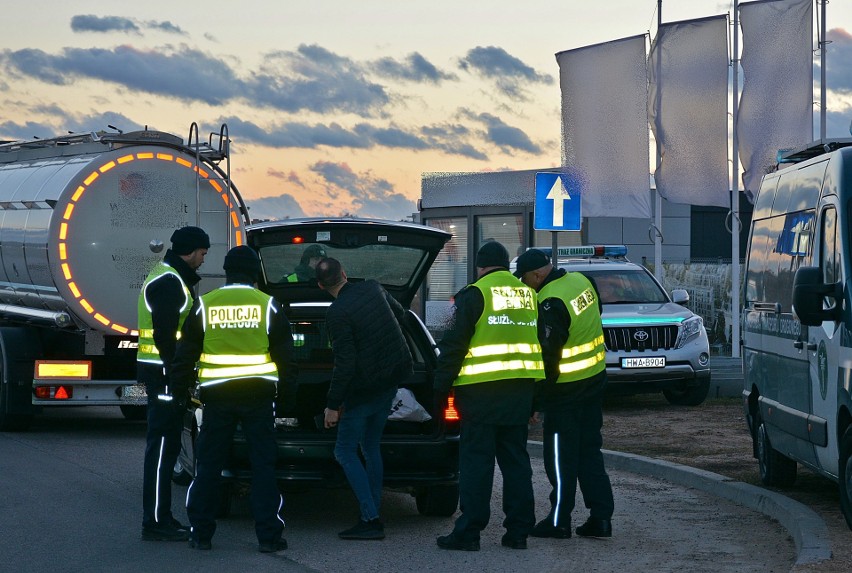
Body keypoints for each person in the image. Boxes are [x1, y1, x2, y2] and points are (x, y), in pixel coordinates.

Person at [171, 246, 297, 553]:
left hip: (217, 397)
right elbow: (287, 360)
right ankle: (268, 537)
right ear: (255, 274)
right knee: (263, 468)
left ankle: (201, 534)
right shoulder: (268, 305)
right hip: (259, 397)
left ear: (227, 272)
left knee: (209, 466)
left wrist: (180, 393)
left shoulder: (206, 304)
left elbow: (184, 355)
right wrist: (289, 403)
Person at [433, 241, 544, 551]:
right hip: (520, 392)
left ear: (480, 266)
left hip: (481, 394)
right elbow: (537, 347)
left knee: (477, 465)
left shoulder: (474, 294)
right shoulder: (528, 295)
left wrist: (440, 388)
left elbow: (453, 345)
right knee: (516, 464)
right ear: (506, 264)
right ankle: (519, 532)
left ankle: (469, 532)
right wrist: (536, 400)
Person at [514, 248, 614, 539]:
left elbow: (549, 359)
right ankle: (601, 518)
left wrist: (535, 401)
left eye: (524, 279)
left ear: (536, 275)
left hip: (565, 395)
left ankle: (559, 521)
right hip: (594, 383)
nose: (524, 285)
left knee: (560, 459)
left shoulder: (549, 302)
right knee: (589, 453)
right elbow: (595, 317)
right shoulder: (582, 282)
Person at [316, 257, 413, 540]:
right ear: (345, 273)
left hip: (362, 392)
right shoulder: (373, 287)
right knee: (370, 446)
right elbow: (402, 316)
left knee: (344, 451)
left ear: (321, 285)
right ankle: (373, 512)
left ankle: (370, 519)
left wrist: (332, 406)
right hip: (389, 383)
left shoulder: (337, 313)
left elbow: (345, 363)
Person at [138, 225, 210, 542]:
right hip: (165, 376)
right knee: (163, 451)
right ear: (191, 251)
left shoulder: (171, 276)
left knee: (165, 451)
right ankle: (156, 521)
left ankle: (159, 518)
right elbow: (165, 336)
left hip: (164, 374)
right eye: (203, 253)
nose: (204, 260)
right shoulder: (169, 282)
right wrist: (178, 375)